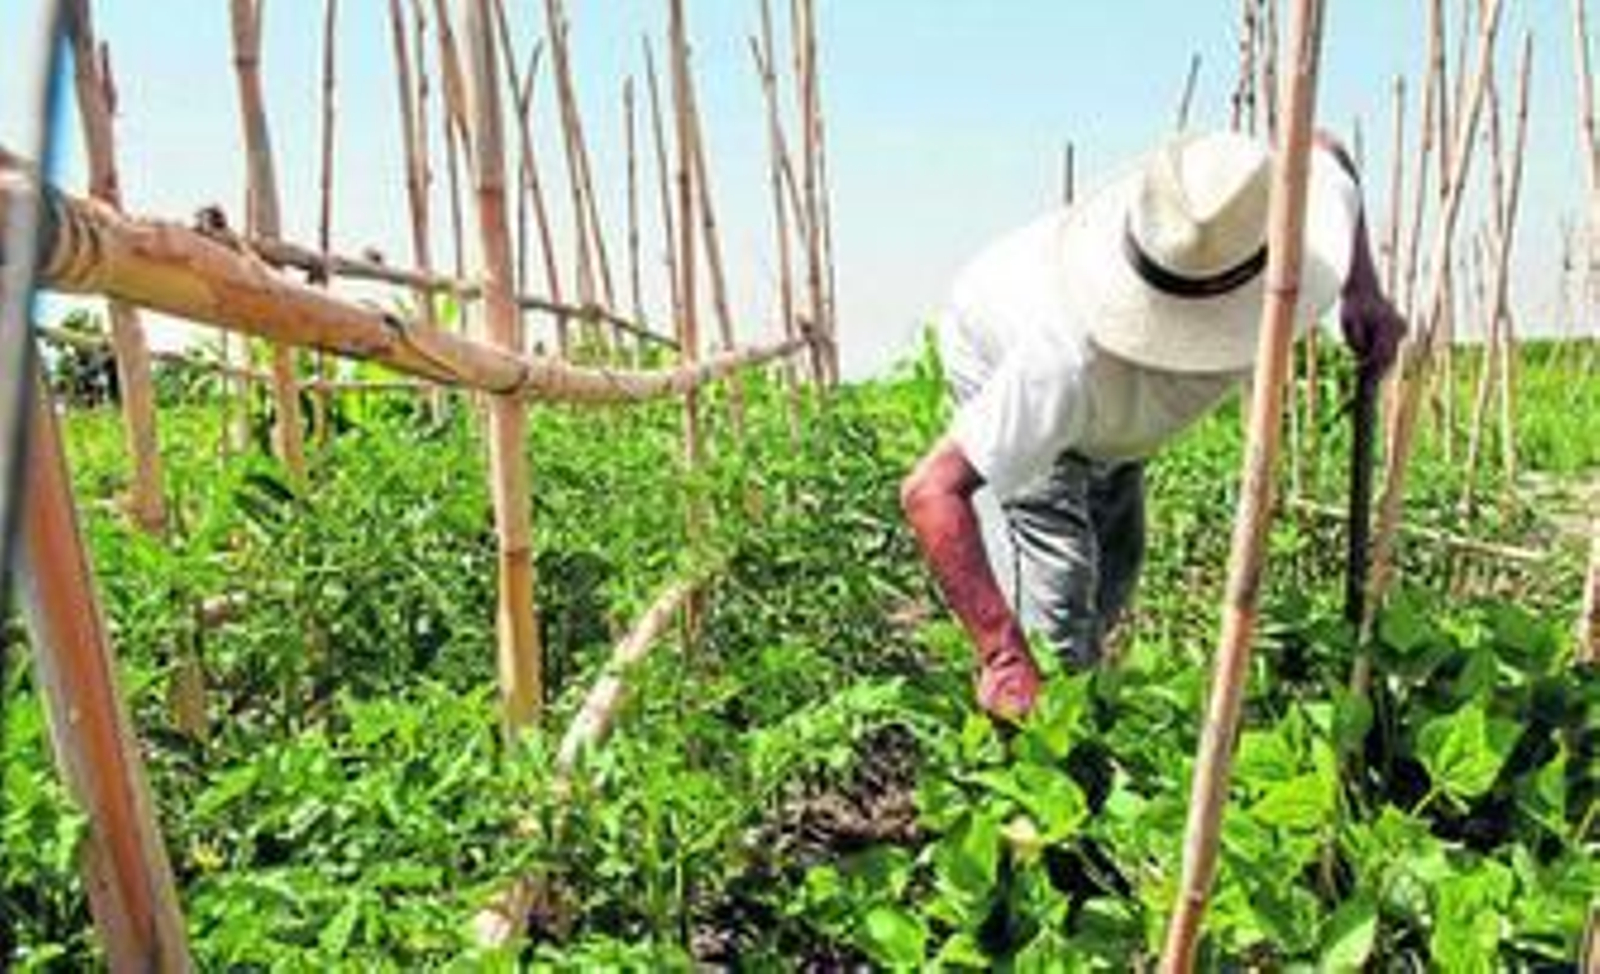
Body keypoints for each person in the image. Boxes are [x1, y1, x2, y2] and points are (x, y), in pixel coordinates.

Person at [900, 129, 1404, 720]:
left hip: (1109, 422)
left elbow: (1324, 146)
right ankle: (1032, 747)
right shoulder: (1061, 360)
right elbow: (931, 492)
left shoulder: (1278, 219)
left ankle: (1084, 702)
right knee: (1056, 618)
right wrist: (1003, 655)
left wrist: (1361, 289)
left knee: (1114, 573)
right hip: (1001, 348)